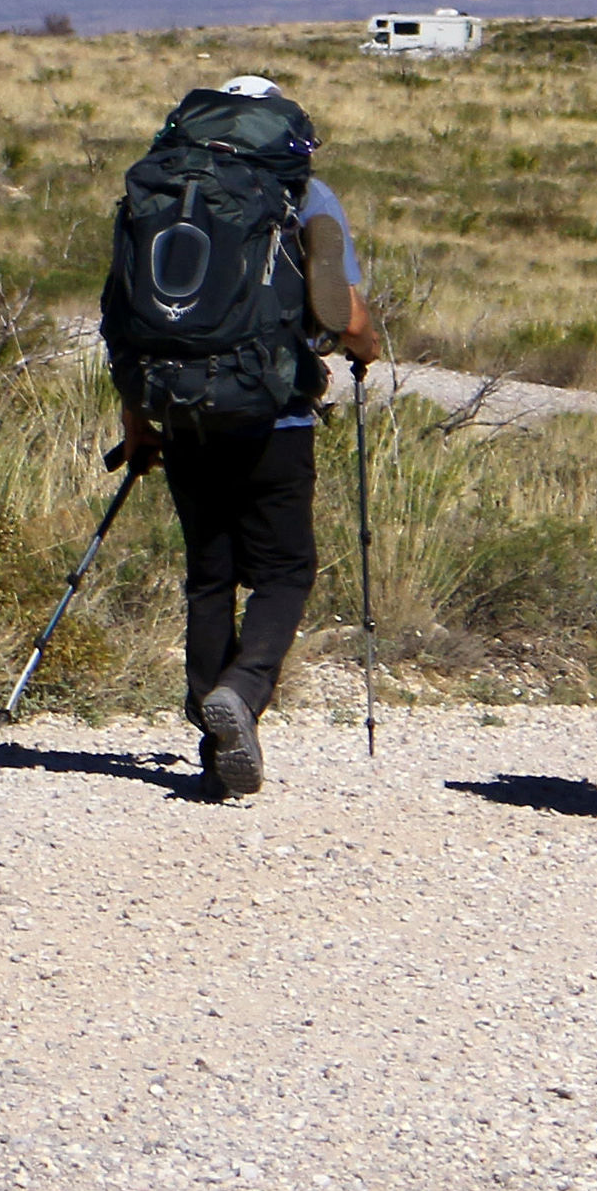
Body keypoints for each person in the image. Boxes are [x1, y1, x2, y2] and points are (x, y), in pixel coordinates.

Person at [106, 75, 385, 800]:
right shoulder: (303, 195)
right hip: (273, 414)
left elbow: (125, 318)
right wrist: (368, 348)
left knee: (210, 574)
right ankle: (244, 689)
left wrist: (137, 422)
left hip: (179, 410)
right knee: (285, 569)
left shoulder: (161, 191)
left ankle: (213, 728)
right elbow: (344, 314)